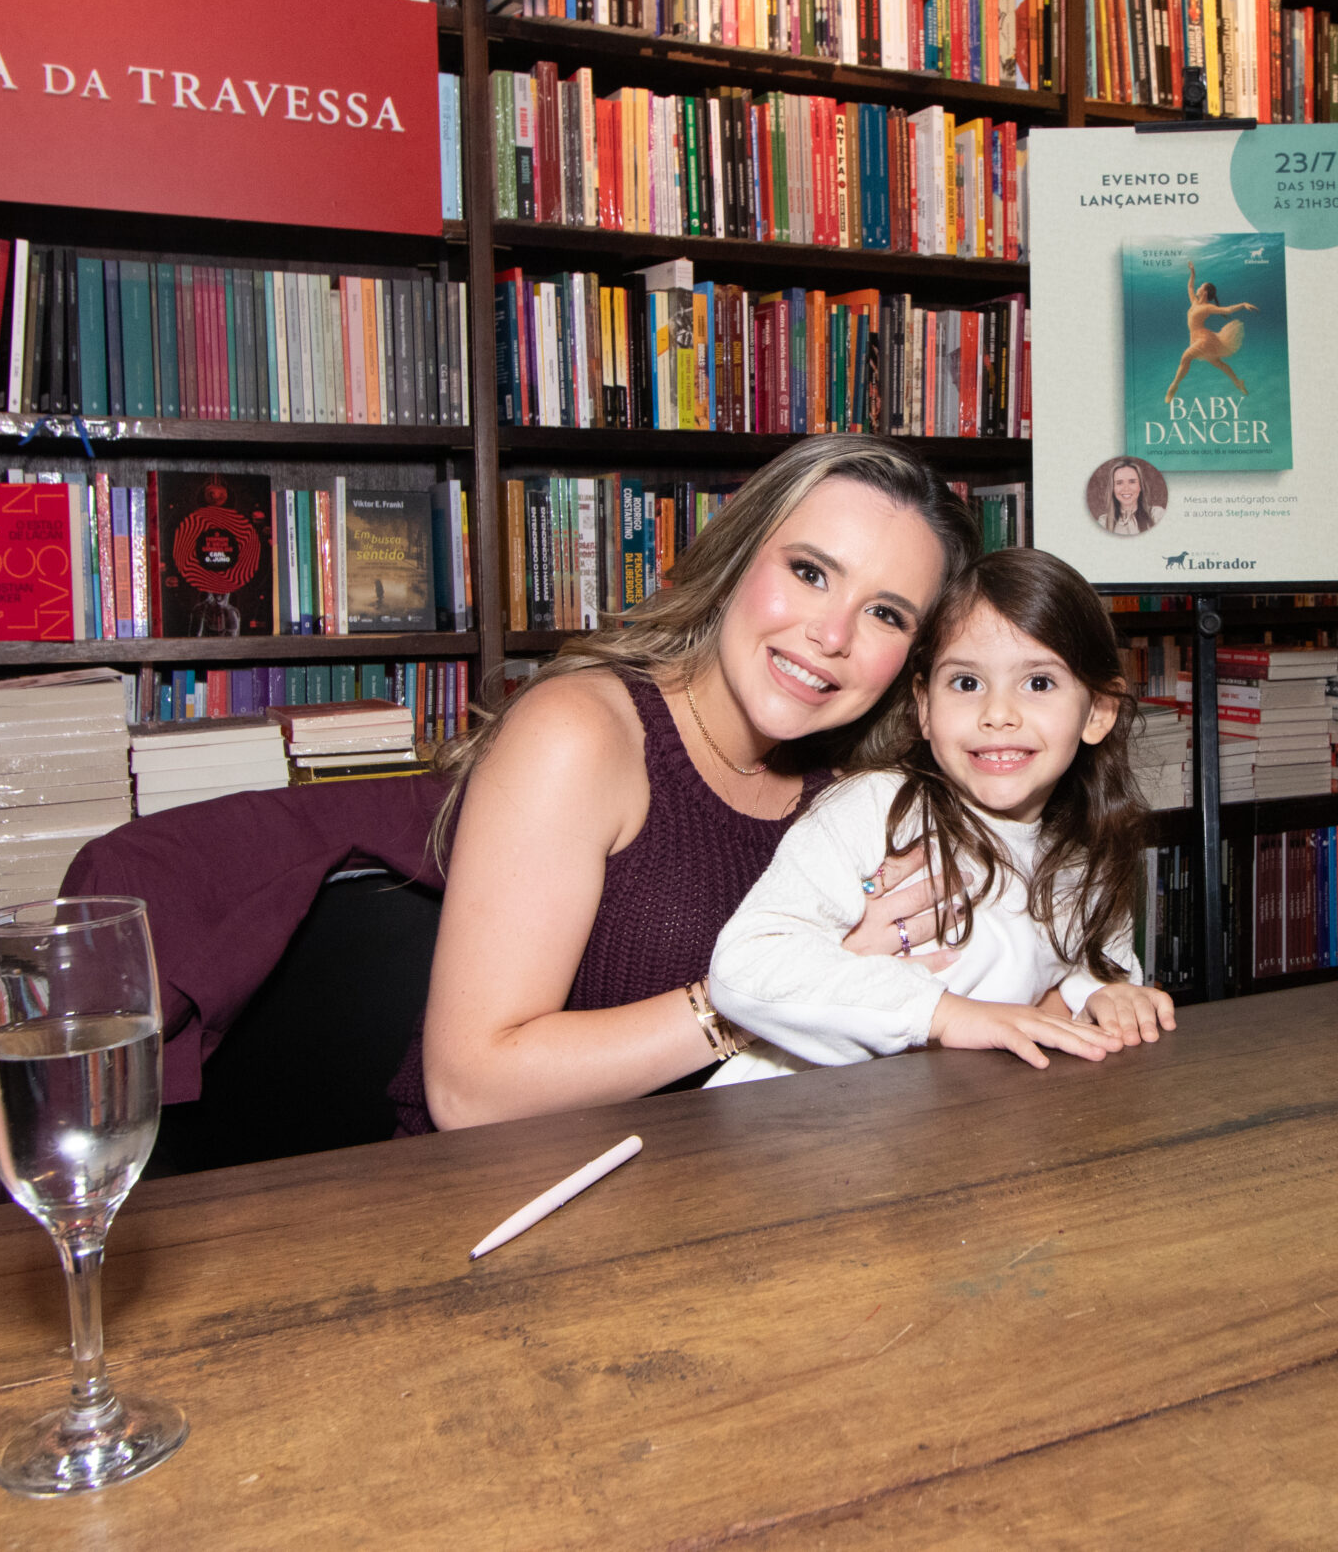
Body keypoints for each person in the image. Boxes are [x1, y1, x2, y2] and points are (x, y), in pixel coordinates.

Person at [391, 436, 980, 1134]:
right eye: (810, 572)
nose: (831, 634)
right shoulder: (578, 733)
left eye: (886, 614)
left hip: (730, 1174)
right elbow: (470, 1090)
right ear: (737, 559)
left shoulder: (864, 792)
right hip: (508, 1184)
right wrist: (783, 988)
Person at [705, 548, 1177, 1083]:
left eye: (1039, 683)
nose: (998, 714)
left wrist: (1107, 998)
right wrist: (944, 1014)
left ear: (1098, 712)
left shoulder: (1085, 859)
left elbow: (1094, 977)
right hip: (787, 1110)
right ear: (925, 707)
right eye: (966, 683)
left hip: (948, 1116)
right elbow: (745, 966)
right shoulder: (876, 808)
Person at [1161, 258, 1257, 403]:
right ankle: (1238, 383)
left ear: (1205, 292)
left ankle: (1173, 387)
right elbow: (1190, 287)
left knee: (1185, 357)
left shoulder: (1208, 307)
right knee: (1219, 364)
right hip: (1197, 338)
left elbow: (1228, 309)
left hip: (1203, 339)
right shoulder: (1194, 302)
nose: (1198, 287)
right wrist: (1193, 272)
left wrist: (1243, 304)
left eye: (1201, 286)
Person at [1096, 458, 1160, 537]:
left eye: (1132, 482)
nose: (1126, 488)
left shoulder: (1156, 515)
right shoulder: (1103, 522)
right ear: (1113, 488)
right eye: (1119, 483)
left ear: (1140, 486)